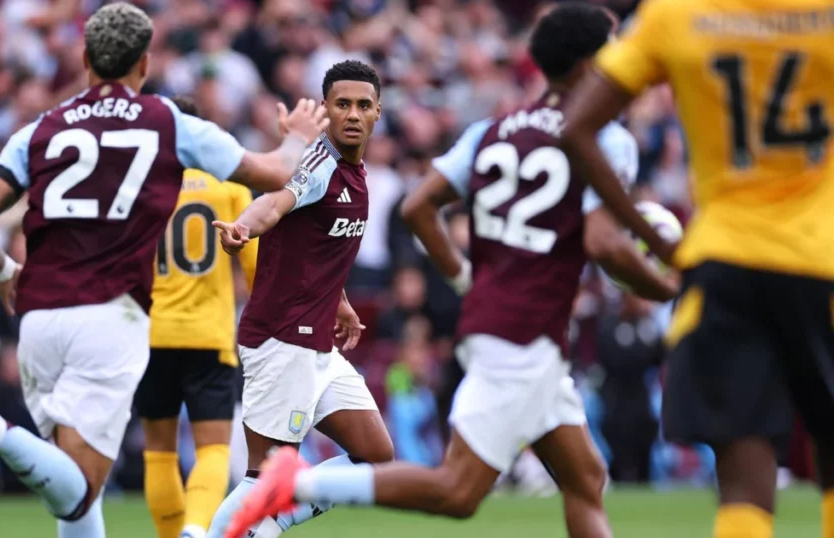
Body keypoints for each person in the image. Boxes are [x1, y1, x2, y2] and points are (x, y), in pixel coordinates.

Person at [223, 6, 677, 538]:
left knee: (585, 477)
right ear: (588, 64)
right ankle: (294, 490)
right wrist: (678, 277)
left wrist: (462, 280)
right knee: (458, 491)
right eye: (612, 51)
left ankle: (276, 499)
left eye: (363, 105)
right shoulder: (606, 136)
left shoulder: (492, 131)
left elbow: (418, 207)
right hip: (511, 333)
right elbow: (276, 201)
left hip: (501, 328)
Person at [0, 4, 329, 538]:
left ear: (86, 59)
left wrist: (4, 272)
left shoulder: (39, 129)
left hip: (39, 319)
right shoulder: (166, 121)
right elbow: (275, 170)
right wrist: (298, 135)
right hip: (110, 318)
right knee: (81, 488)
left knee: (73, 491)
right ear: (144, 64)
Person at [559, 1, 834, 537]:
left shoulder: (677, 14)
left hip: (725, 257)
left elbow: (575, 127)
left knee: (743, 474)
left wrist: (641, 226)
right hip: (821, 256)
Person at [207, 60, 394, 538]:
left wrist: (341, 301)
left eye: (363, 105)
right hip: (281, 340)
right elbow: (273, 202)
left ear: (378, 112)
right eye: (342, 105)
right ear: (327, 111)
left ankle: (273, 522)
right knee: (262, 480)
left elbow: (318, 245)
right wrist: (243, 228)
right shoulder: (318, 163)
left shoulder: (356, 171)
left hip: (317, 346)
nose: (353, 114)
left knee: (375, 456)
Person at [137, 96, 259, 538]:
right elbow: (257, 272)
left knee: (159, 453)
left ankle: (171, 536)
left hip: (151, 335)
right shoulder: (229, 188)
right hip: (209, 336)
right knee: (212, 448)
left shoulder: (141, 189)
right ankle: (195, 527)